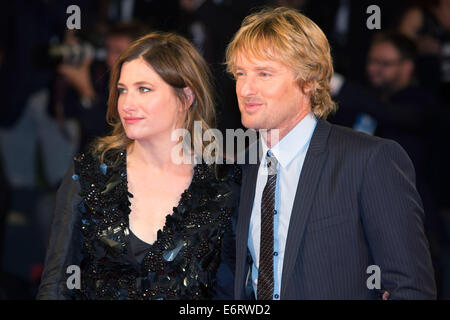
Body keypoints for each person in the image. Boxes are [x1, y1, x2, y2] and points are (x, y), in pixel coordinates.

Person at [225, 7, 436, 299]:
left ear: (310, 80)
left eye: (264, 73)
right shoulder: (240, 166)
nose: (246, 88)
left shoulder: (369, 160)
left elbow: (411, 289)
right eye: (240, 73)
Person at [37, 31, 240, 300]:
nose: (128, 104)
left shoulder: (224, 183)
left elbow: (234, 291)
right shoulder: (89, 173)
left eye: (144, 89)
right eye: (122, 90)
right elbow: (56, 284)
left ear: (186, 98)